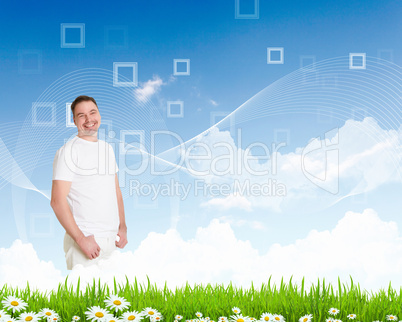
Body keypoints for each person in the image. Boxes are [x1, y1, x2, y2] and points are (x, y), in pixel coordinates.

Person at [50, 95, 127, 270]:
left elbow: (115, 190)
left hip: (112, 241)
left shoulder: (107, 149)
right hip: (85, 241)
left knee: (112, 296)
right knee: (84, 296)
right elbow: (57, 201)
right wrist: (81, 239)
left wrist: (122, 227)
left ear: (99, 114)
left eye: (92, 112)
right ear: (74, 120)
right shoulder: (68, 151)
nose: (89, 119)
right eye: (81, 115)